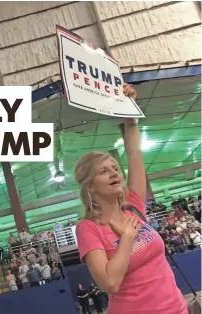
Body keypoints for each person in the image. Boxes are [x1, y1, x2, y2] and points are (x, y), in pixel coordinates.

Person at [75, 84, 187, 314]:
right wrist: (127, 238)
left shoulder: (133, 207)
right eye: (104, 171)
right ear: (90, 186)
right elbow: (110, 283)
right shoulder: (88, 228)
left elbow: (134, 153)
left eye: (115, 168)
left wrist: (130, 115)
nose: (115, 173)